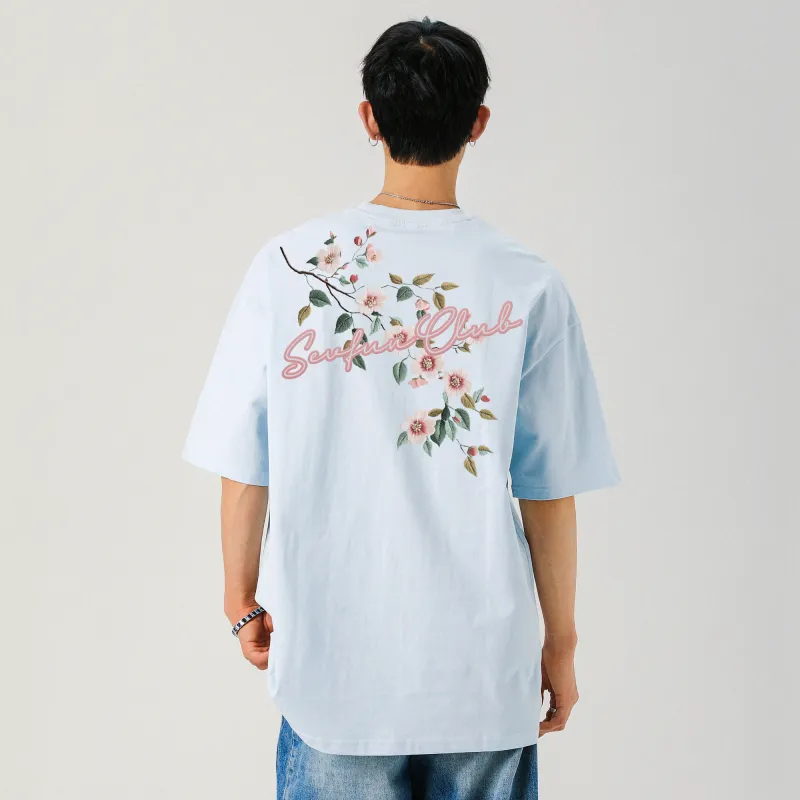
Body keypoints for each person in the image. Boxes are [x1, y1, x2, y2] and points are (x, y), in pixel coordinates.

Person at [183, 16, 619, 800]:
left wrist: (239, 600)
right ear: (478, 123)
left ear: (369, 118)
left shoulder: (288, 266)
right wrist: (561, 642)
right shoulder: (527, 283)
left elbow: (246, 459)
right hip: (482, 676)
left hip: (334, 675)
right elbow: (549, 491)